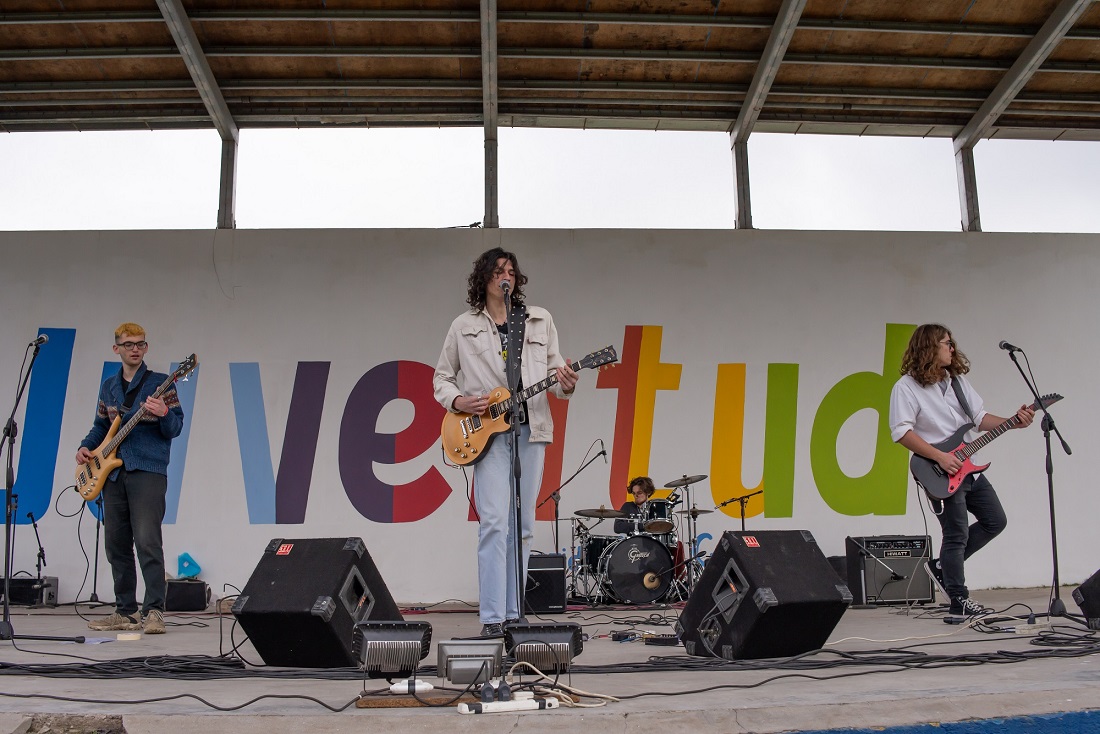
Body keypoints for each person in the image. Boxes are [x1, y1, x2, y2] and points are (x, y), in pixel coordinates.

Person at [433, 248, 579, 637]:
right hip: (487, 433)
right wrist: (460, 401)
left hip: (531, 430)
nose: (507, 277)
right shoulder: (463, 325)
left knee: (524, 524)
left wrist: (565, 384)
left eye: (512, 271)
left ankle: (515, 612)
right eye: (499, 271)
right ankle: (493, 617)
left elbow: (555, 372)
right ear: (484, 279)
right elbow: (441, 380)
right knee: (495, 522)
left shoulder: (538, 319)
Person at [889, 324, 1034, 617]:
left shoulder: (957, 382)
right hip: (937, 470)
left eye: (951, 342)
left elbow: (979, 418)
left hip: (969, 468)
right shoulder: (906, 387)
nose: (952, 347)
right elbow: (901, 432)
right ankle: (959, 602)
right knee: (956, 535)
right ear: (928, 348)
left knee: (996, 520)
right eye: (946, 343)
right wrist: (940, 457)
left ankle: (942, 566)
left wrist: (1013, 421)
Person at [78, 323, 184, 635]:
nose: (134, 349)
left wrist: (164, 412)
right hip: (112, 473)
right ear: (117, 349)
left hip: (148, 471)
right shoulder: (109, 386)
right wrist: (86, 447)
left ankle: (154, 611)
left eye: (139, 344)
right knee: (115, 543)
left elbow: (175, 428)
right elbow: (100, 426)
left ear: (146, 348)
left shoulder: (161, 383)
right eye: (128, 344)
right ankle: (125, 610)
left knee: (148, 541)